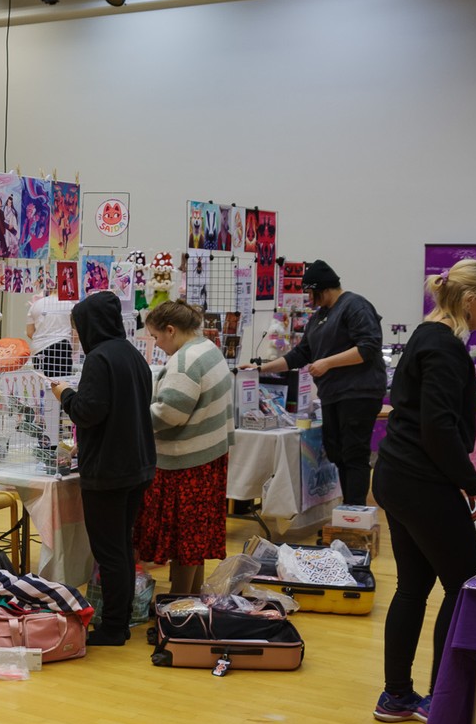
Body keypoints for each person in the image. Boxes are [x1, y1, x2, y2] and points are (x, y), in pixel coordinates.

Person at [368, 259, 476, 723]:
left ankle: (397, 696)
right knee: (464, 586)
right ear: (469, 300)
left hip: (398, 475)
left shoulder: (426, 336)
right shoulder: (444, 347)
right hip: (420, 481)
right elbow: (438, 426)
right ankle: (443, 702)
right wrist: (470, 482)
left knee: (413, 587)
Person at [53, 291, 156, 646]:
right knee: (121, 547)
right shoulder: (133, 355)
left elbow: (88, 412)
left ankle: (113, 627)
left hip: (110, 470)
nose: (76, 334)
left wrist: (65, 394)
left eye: (78, 327)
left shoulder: (99, 359)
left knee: (110, 552)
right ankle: (119, 620)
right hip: (136, 465)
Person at [256, 260, 384, 506]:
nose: (308, 299)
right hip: (333, 393)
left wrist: (327, 363)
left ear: (321, 289)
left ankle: (355, 510)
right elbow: (299, 354)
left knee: (354, 453)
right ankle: (348, 507)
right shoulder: (319, 317)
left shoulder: (355, 306)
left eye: (309, 293)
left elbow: (368, 347)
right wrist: (261, 368)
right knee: (337, 452)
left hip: (358, 393)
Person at [135, 300, 234, 597]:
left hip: (186, 463)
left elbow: (169, 414)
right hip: (209, 454)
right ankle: (190, 597)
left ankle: (178, 602)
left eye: (156, 337)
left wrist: (133, 417)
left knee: (183, 539)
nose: (156, 344)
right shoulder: (208, 348)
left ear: (171, 330)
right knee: (195, 538)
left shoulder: (184, 362)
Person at [26, 293, 78, 378]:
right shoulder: (70, 305)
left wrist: (43, 338)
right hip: (62, 348)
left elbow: (29, 332)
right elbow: (75, 334)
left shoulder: (36, 305)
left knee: (42, 382)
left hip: (39, 349)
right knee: (61, 382)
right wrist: (75, 349)